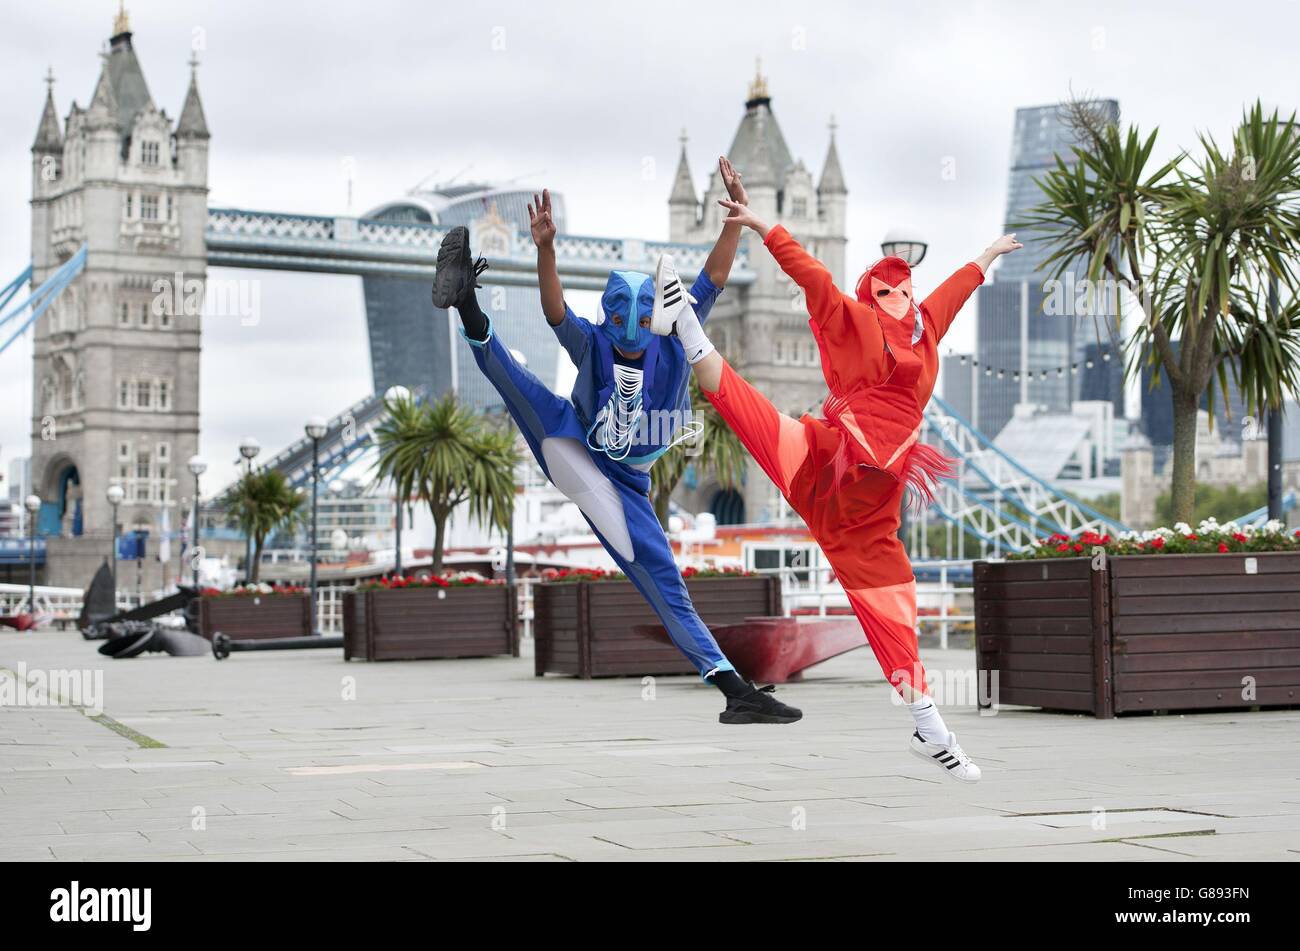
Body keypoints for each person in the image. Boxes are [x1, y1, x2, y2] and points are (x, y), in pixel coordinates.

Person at [651, 194, 1022, 780]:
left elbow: (956, 289)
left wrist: (987, 256)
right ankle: (688, 329)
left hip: (873, 504)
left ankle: (931, 728)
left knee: (895, 609)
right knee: (755, 417)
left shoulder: (925, 332)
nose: (899, 299)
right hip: (830, 459)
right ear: (869, 296)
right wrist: (764, 227)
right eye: (885, 290)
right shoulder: (853, 320)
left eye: (905, 290)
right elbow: (813, 276)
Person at [430, 158, 801, 725]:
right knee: (517, 382)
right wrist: (546, 250)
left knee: (665, 584)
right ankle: (467, 304)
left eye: (640, 318)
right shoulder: (601, 342)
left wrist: (735, 221)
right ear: (610, 316)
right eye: (621, 319)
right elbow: (556, 311)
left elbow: (713, 279)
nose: (629, 335)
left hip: (622, 480)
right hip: (581, 444)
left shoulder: (675, 333)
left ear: (653, 316)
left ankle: (734, 691)